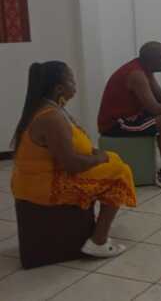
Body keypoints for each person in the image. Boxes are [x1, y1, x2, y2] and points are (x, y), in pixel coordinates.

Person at [11, 61, 136, 257]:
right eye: (71, 80)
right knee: (120, 173)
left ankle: (95, 230)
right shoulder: (50, 117)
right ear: (59, 88)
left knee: (114, 159)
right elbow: (72, 165)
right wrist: (98, 159)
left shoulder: (50, 109)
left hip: (44, 179)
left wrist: (98, 155)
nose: (75, 85)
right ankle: (98, 241)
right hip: (47, 187)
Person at [98, 41, 161, 190]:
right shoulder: (136, 74)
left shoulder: (144, 69)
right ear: (151, 59)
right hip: (116, 124)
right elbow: (154, 107)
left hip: (132, 116)